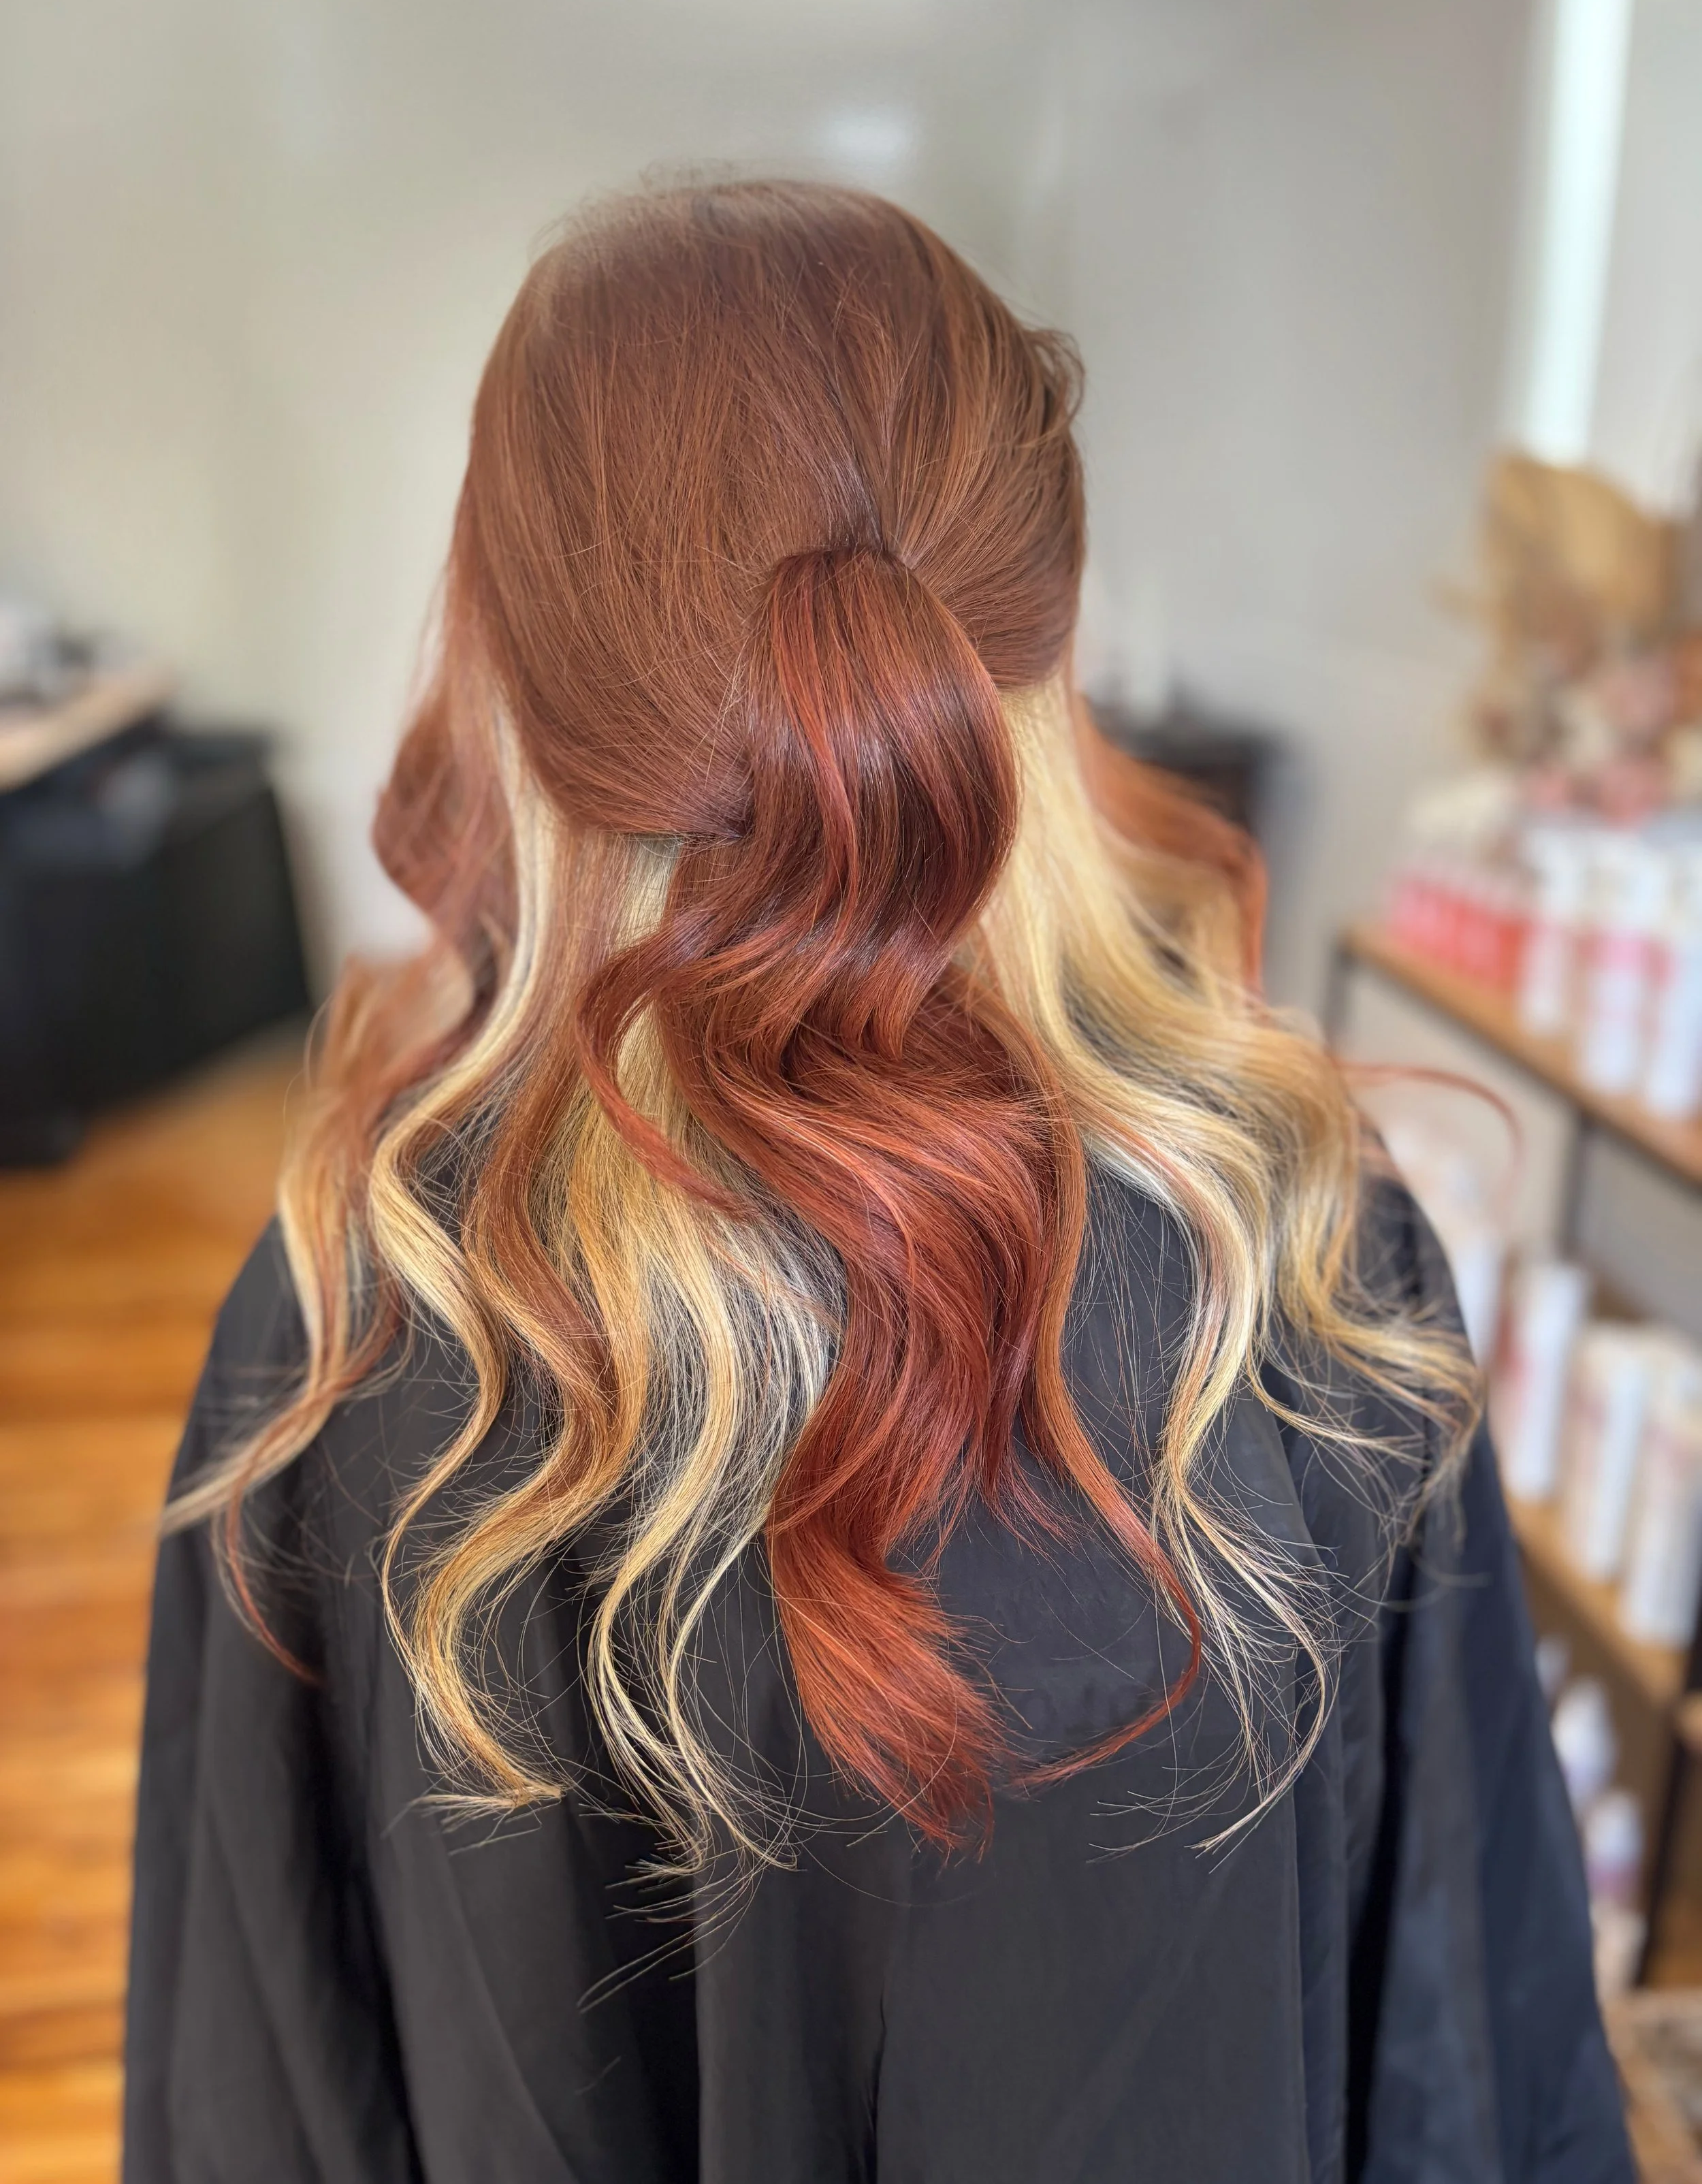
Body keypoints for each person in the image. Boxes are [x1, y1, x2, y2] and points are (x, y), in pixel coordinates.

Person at [124, 180, 1631, 2183]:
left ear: (510, 656)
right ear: (1039, 638)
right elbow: (1466, 2045)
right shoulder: (1304, 1266)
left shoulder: (352, 1318)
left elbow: (261, 2076)